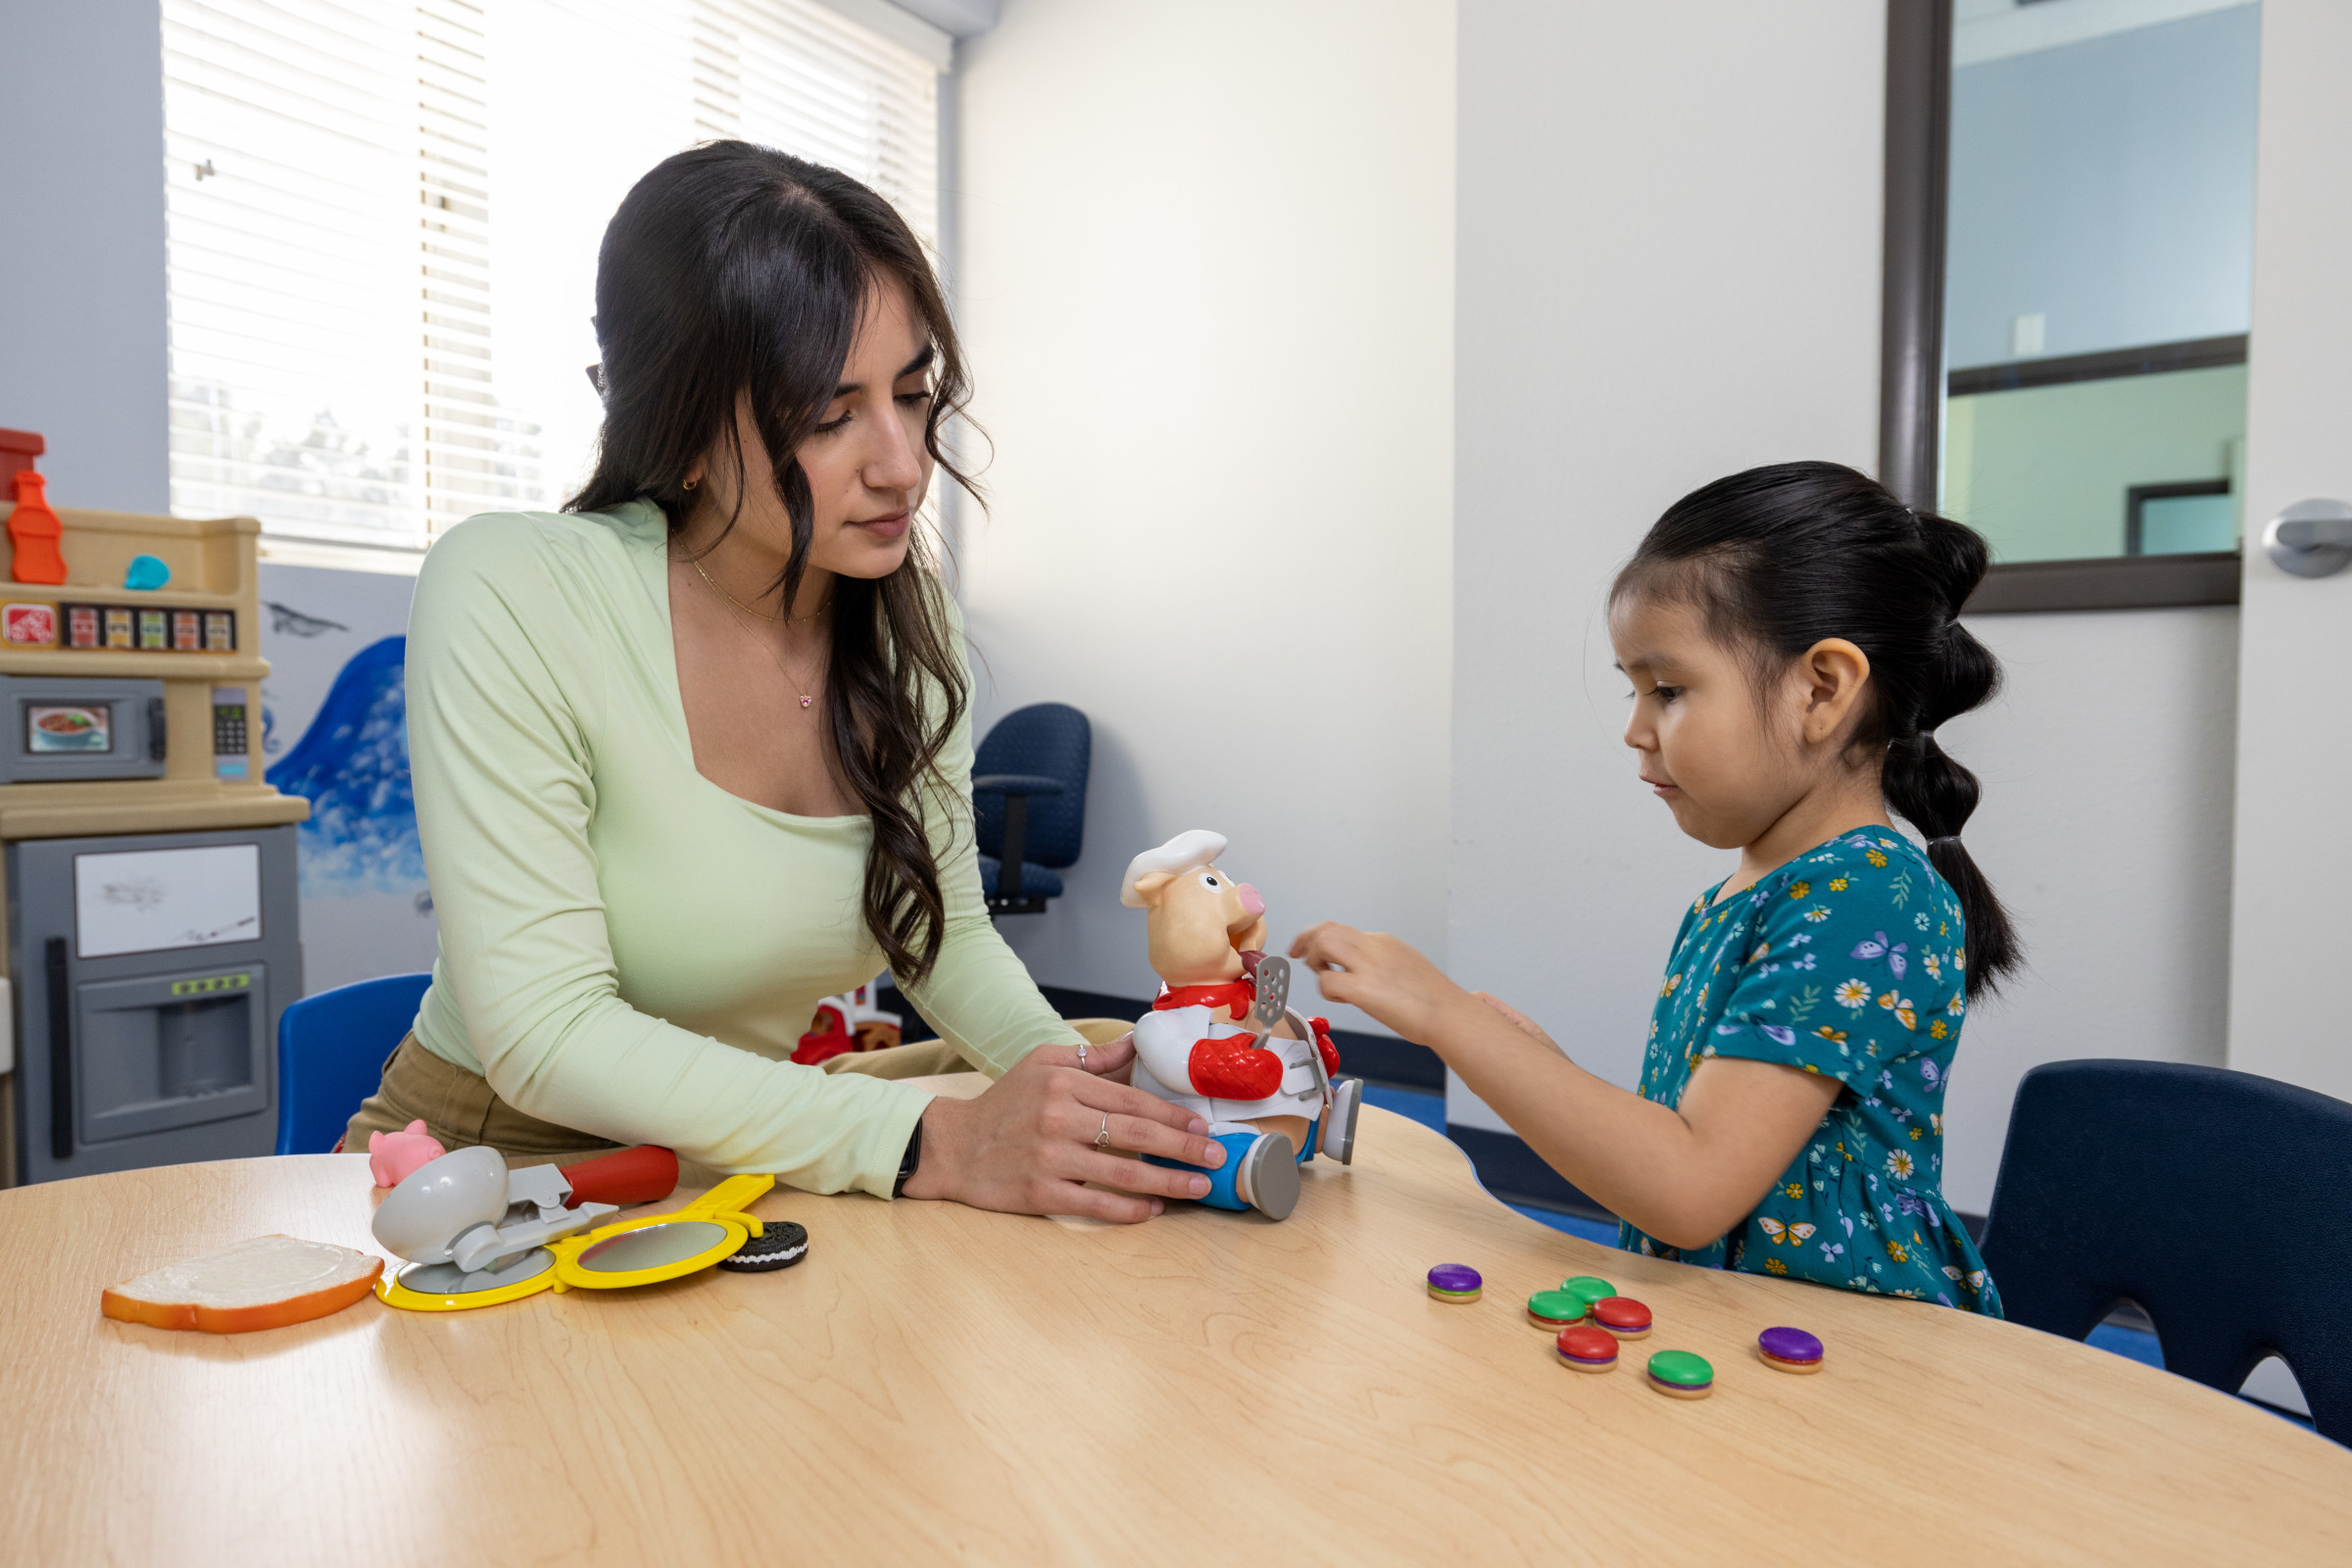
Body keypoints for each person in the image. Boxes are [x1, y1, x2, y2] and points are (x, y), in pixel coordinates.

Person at [343, 142, 1227, 1221]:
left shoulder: (907, 629)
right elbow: (547, 1037)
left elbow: (938, 938)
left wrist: (1093, 1106)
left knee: (1096, 1052)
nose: (902, 465)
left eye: (911, 394)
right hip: (499, 1169)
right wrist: (930, 1144)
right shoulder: (517, 587)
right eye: (828, 414)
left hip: (738, 1153)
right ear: (680, 427)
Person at [1290, 462, 2014, 1311]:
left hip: (1850, 1353)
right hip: (1735, 1322)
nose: (1634, 730)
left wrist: (1443, 1015)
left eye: (1667, 690)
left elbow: (1691, 1183)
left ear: (1821, 690)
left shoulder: (1867, 894)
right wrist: (1535, 1064)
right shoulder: (1748, 893)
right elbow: (1685, 1141)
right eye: (1633, 690)